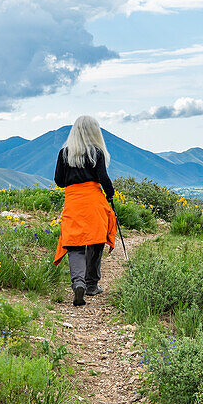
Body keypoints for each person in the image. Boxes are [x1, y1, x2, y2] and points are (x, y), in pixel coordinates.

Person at [53, 115, 117, 306]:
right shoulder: (96, 152)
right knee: (96, 241)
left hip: (73, 201)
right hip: (93, 201)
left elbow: (59, 181)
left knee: (75, 244)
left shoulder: (64, 153)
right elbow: (103, 178)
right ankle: (91, 285)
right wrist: (111, 195)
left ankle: (78, 283)